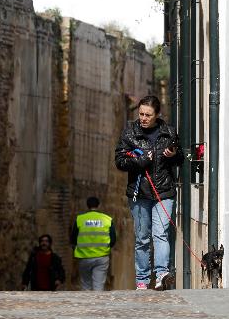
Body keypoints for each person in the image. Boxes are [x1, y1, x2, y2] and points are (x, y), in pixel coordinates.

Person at [114, 95, 184, 290]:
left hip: (164, 191)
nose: (143, 118)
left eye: (148, 115)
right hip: (139, 193)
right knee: (142, 238)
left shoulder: (169, 132)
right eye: (141, 114)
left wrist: (174, 155)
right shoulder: (130, 134)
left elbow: (180, 160)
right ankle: (142, 280)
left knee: (160, 233)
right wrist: (141, 160)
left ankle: (162, 274)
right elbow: (120, 161)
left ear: (157, 115)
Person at [70, 197, 116, 291]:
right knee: (99, 285)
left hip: (84, 256)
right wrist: (106, 248)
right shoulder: (107, 219)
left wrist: (76, 247)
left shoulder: (80, 219)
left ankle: (87, 304)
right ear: (99, 205)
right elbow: (113, 239)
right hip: (102, 256)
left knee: (85, 285)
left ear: (87, 205)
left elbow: (73, 238)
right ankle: (98, 303)